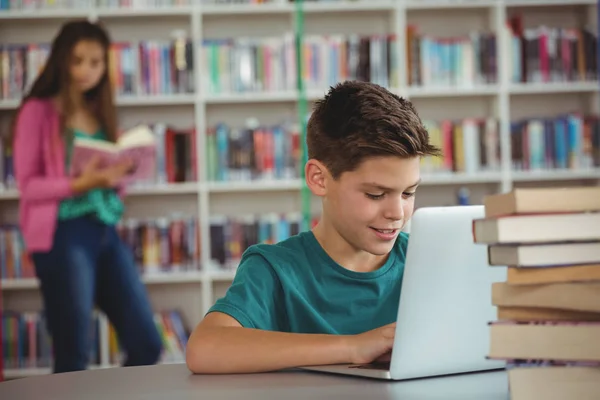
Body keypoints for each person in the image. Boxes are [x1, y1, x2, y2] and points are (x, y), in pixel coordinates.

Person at [185, 80, 441, 374]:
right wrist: (353, 347)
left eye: (408, 193)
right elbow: (204, 349)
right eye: (375, 194)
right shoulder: (274, 270)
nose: (398, 213)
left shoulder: (425, 261)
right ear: (319, 179)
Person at [12, 20, 163, 373]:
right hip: (62, 234)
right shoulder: (38, 111)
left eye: (95, 62)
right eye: (77, 60)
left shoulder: (100, 112)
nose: (85, 70)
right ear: (62, 60)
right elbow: (28, 185)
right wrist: (81, 183)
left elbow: (111, 183)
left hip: (104, 230)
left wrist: (118, 175)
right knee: (74, 353)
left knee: (147, 343)